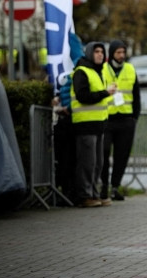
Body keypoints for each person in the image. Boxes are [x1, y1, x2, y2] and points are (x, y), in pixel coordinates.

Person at [70, 41, 116, 208]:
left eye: (101, 52)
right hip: (85, 124)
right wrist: (105, 93)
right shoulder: (82, 72)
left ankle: (94, 193)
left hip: (98, 125)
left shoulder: (99, 72)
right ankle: (85, 195)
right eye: (96, 52)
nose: (100, 55)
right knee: (87, 163)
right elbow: (83, 96)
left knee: (98, 163)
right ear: (89, 53)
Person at [101, 40, 140, 202]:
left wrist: (134, 118)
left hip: (125, 119)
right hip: (107, 119)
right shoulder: (102, 69)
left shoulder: (130, 69)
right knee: (103, 154)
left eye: (123, 52)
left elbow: (136, 96)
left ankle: (115, 186)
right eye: (118, 52)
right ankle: (103, 186)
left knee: (122, 156)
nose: (121, 55)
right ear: (111, 54)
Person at [52, 31, 84, 201]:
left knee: (70, 159)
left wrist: (68, 109)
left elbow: (80, 93)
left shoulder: (78, 67)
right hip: (66, 120)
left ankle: (70, 192)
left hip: (74, 119)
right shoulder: (70, 68)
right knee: (65, 159)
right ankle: (67, 192)